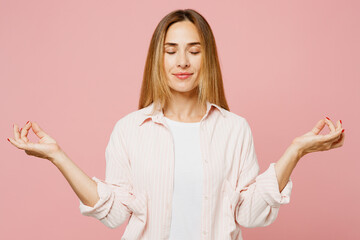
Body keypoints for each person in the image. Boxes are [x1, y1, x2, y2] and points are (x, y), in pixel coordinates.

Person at [7, 8, 345, 240]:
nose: (182, 61)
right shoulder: (130, 129)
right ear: (159, 57)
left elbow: (249, 215)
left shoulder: (234, 129)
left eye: (193, 51)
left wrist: (296, 151)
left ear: (207, 57)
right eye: (171, 51)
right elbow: (112, 213)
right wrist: (58, 156)